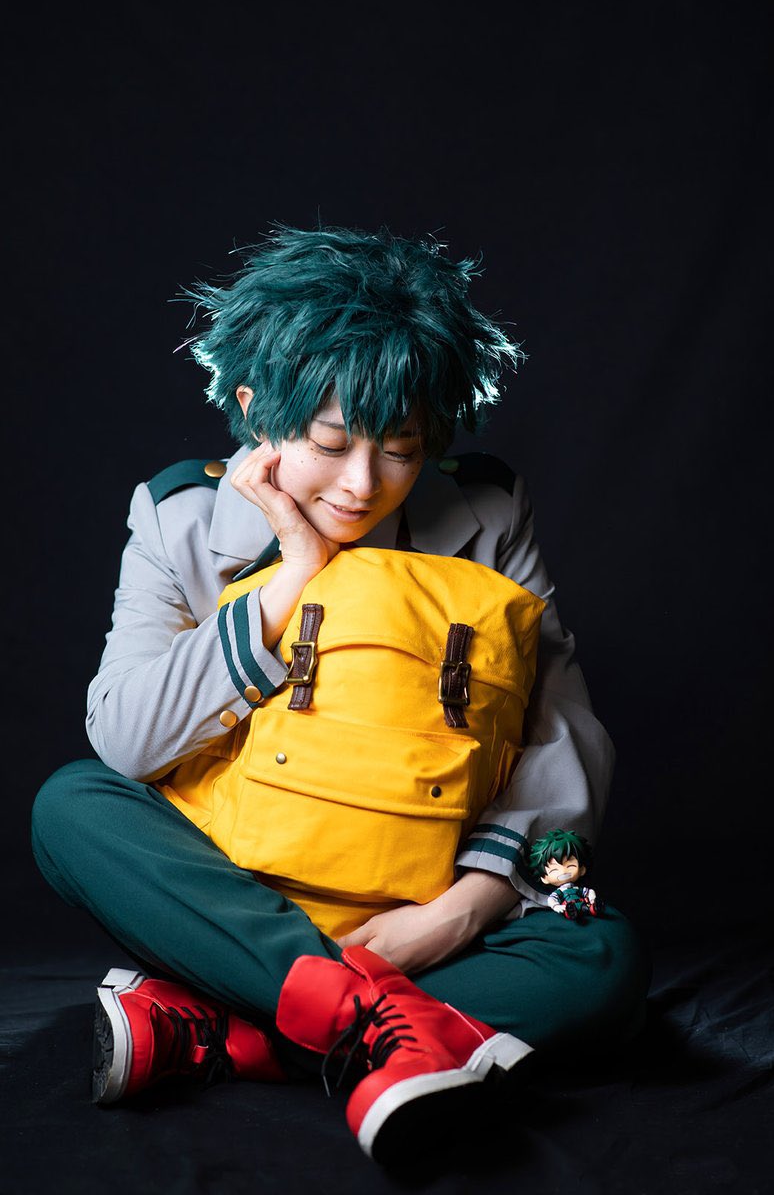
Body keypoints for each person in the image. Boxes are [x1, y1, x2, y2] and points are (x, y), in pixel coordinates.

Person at [31, 225, 649, 1164]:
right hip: (240, 898)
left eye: (401, 450)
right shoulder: (176, 518)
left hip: (422, 897)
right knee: (72, 807)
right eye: (330, 443)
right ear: (255, 410)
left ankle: (229, 1032)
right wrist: (292, 578)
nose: (362, 485)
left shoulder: (484, 513)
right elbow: (126, 738)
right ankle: (375, 1026)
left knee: (605, 958)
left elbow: (561, 731)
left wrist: (460, 912)